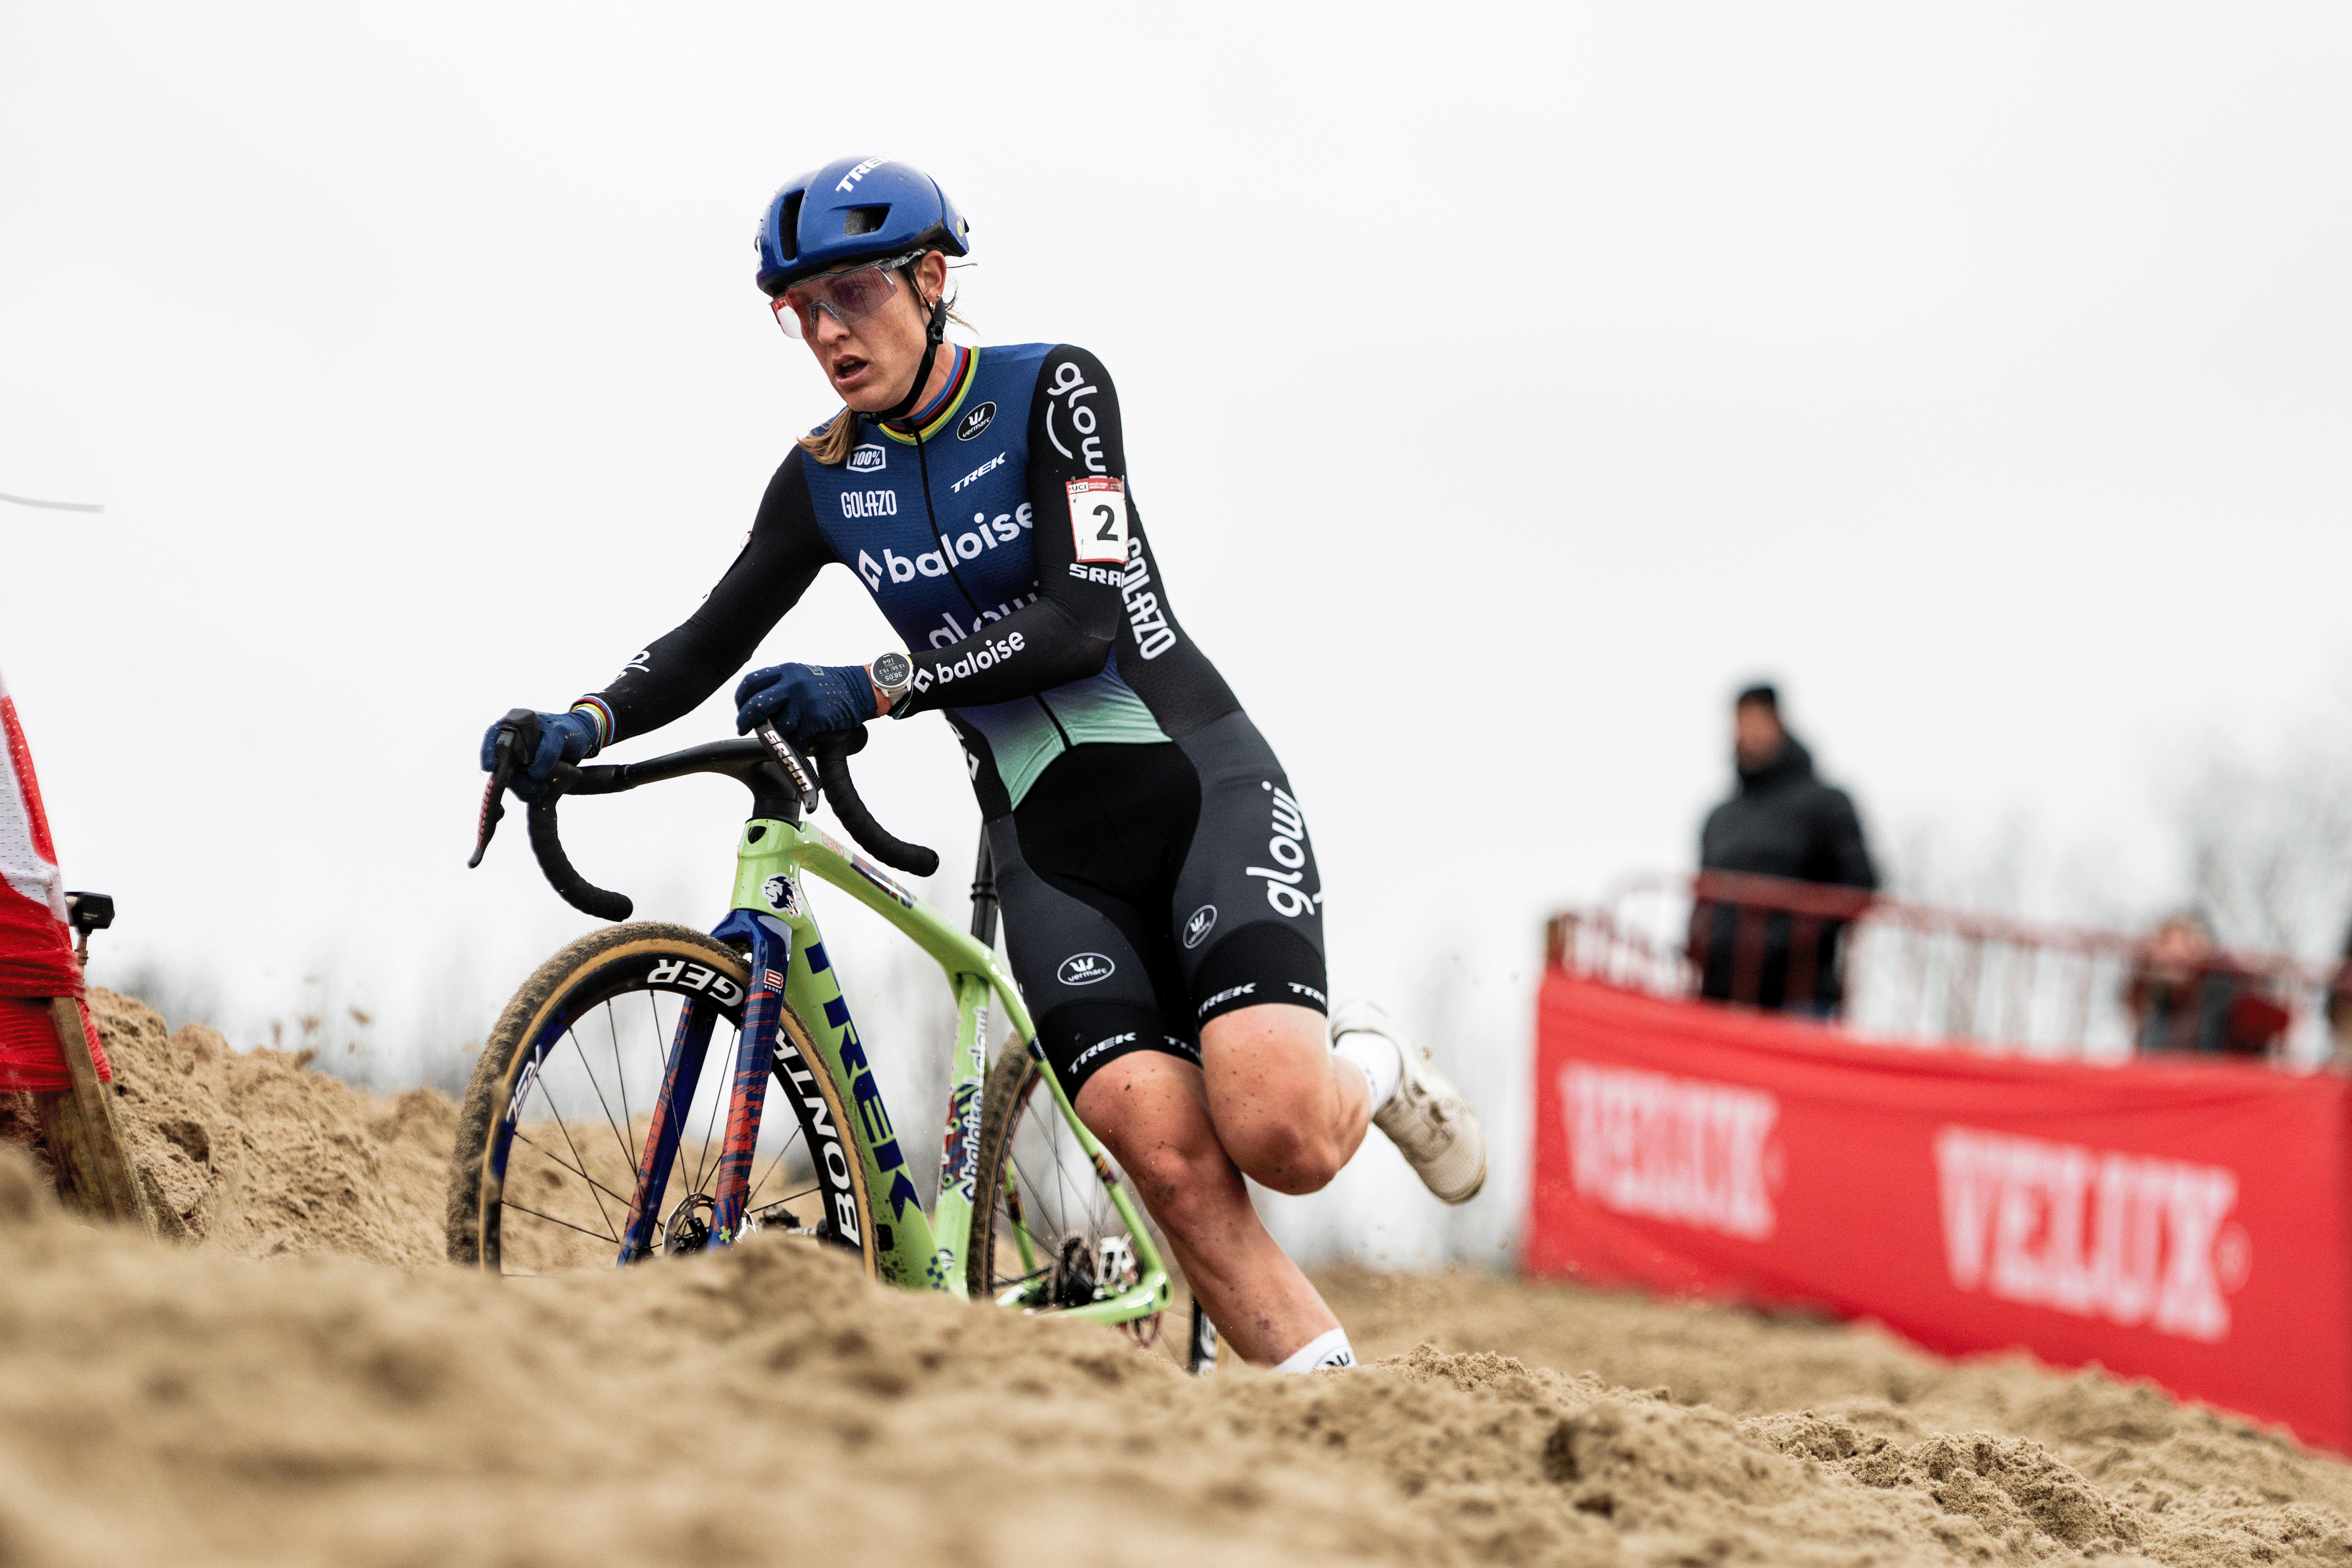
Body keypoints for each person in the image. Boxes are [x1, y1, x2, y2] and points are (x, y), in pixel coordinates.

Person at [478, 157, 1484, 1373]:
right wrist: (583, 720)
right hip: (1049, 847)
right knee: (1162, 1152)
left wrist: (875, 685)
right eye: (800, 312)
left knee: (1279, 1134)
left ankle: (1368, 1060)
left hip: (1195, 786)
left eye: (850, 293)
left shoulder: (1052, 390)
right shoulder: (824, 478)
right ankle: (1336, 1418)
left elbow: (1080, 621)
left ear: (931, 277)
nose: (828, 333)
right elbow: (708, 635)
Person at [1688, 684, 1878, 1016]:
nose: (1749, 732)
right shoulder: (1720, 817)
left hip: (1800, 998)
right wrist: (1698, 948)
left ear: (1779, 723)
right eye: (1741, 722)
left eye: (1758, 719)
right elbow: (1701, 897)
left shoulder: (1826, 804)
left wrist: (1791, 941)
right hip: (1718, 995)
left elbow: (1859, 884)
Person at [2124, 910, 2288, 1059]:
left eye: (2184, 942)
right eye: (2167, 942)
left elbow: (2271, 1021)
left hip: (2216, 1083)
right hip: (2162, 1081)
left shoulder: (2228, 991)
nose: (2175, 953)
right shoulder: (2151, 996)